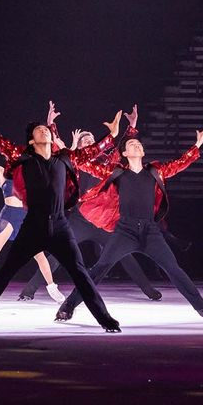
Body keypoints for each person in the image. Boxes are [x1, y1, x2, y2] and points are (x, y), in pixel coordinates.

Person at [0, 96, 121, 333]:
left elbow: (90, 152)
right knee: (5, 272)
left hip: (60, 226)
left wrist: (110, 136)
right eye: (40, 130)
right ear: (32, 139)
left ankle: (105, 320)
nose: (45, 131)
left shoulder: (66, 158)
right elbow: (0, 143)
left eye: (46, 129)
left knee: (80, 273)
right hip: (33, 226)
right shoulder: (24, 157)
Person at [55, 112, 203, 323]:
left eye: (138, 143)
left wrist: (198, 144)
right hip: (125, 231)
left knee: (174, 269)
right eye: (132, 143)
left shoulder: (155, 170)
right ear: (124, 152)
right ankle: (68, 306)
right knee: (99, 269)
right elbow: (85, 165)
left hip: (151, 232)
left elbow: (179, 164)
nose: (137, 145)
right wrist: (71, 152)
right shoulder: (117, 172)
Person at [17, 105, 162, 302]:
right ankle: (29, 290)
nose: (87, 141)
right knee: (60, 253)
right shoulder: (76, 160)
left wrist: (132, 126)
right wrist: (51, 124)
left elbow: (124, 147)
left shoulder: (106, 161)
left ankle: (148, 290)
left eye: (90, 139)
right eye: (84, 139)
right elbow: (57, 149)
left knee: (125, 253)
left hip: (104, 221)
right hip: (81, 219)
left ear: (96, 143)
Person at [0, 103, 64, 306]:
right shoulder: (2, 172)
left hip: (28, 217)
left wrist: (51, 125)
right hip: (9, 215)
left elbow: (56, 153)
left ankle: (52, 288)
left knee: (41, 257)